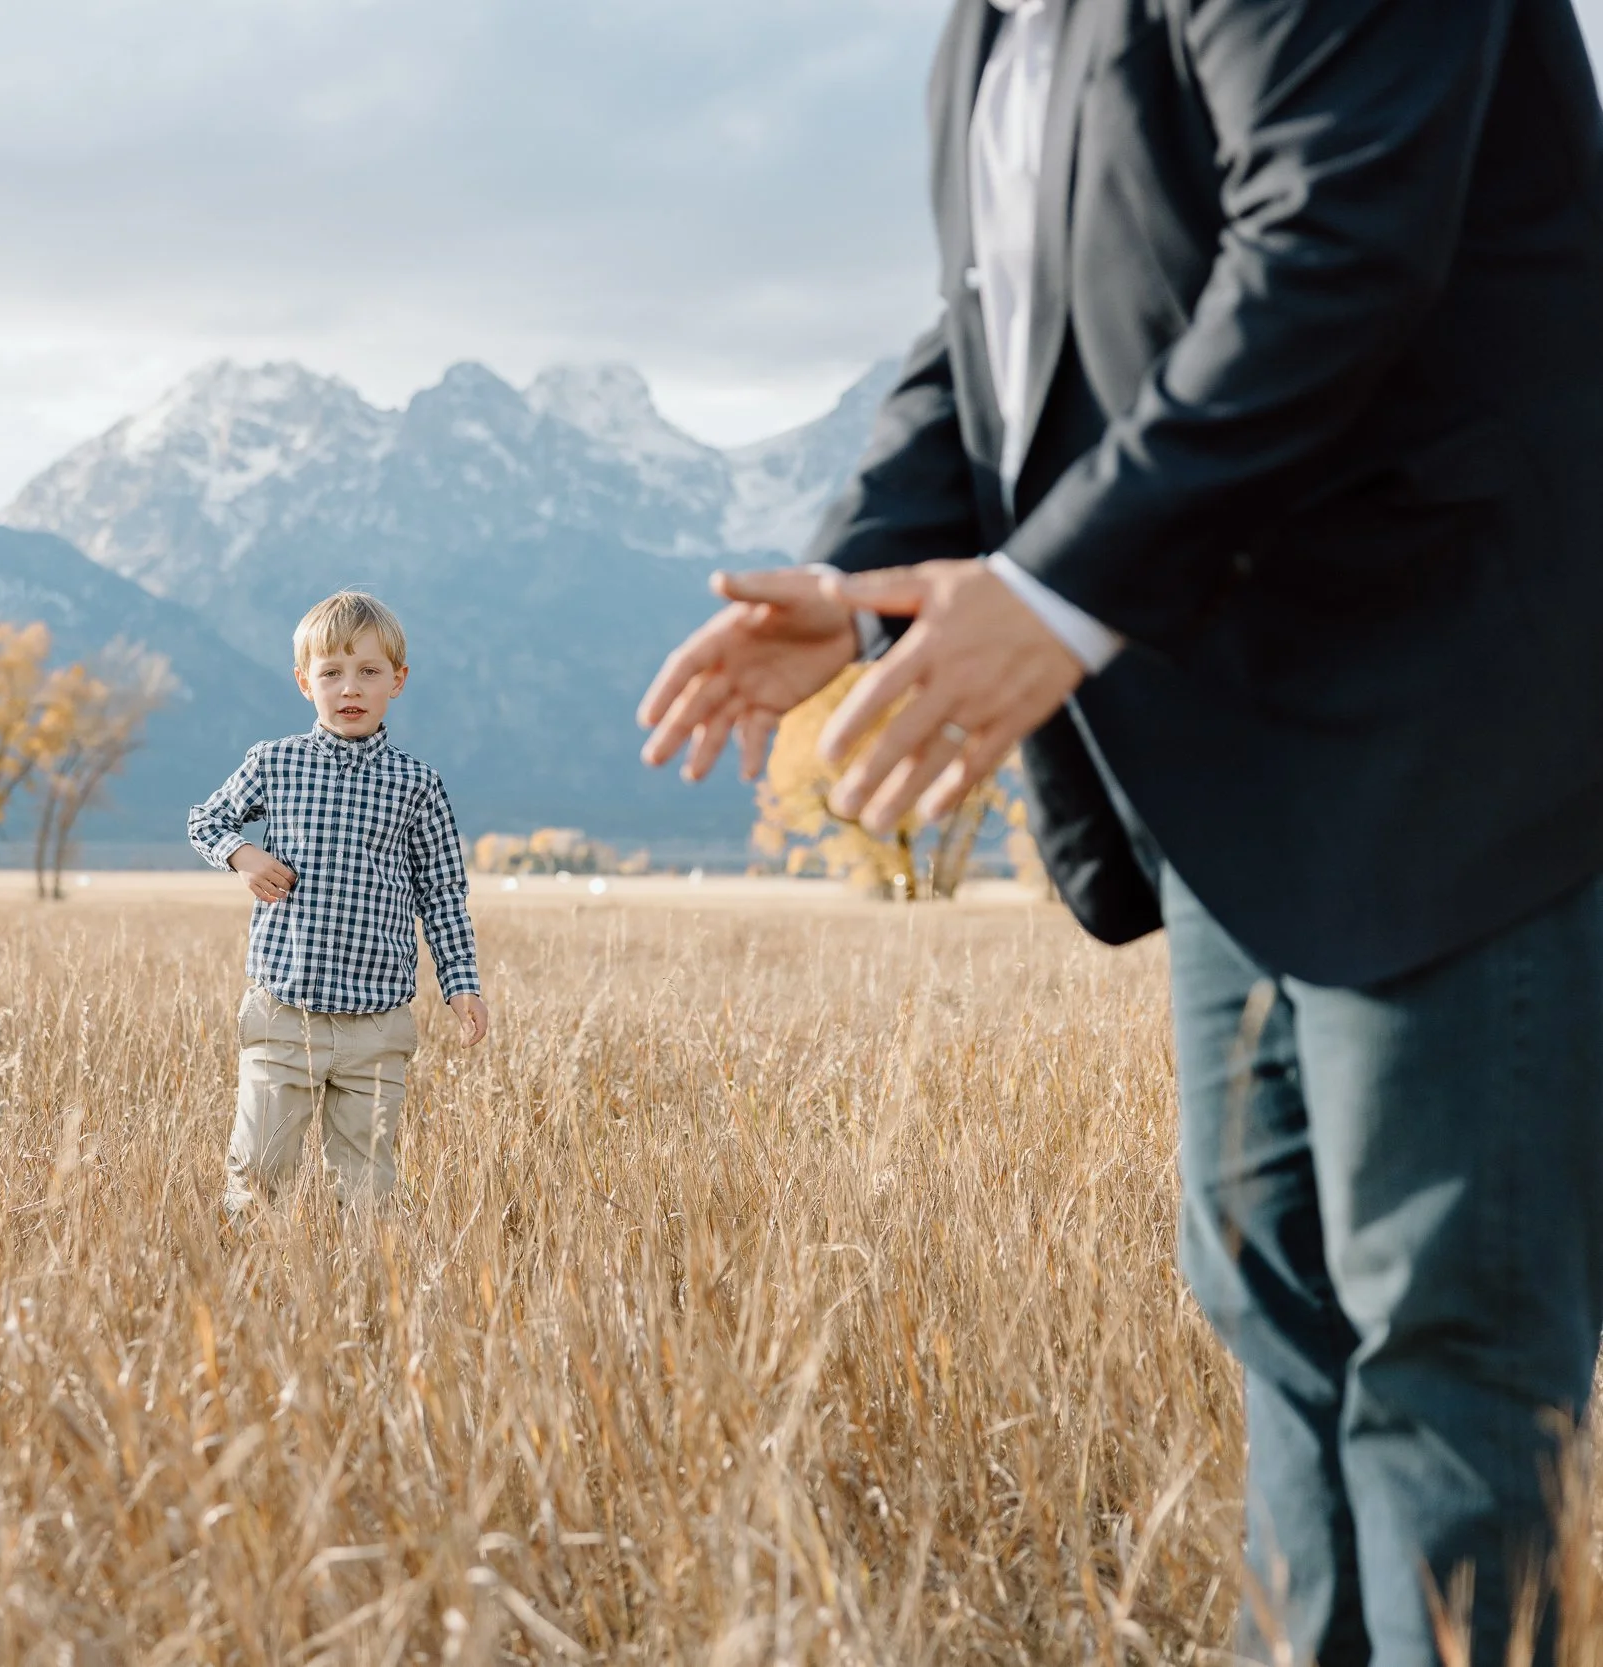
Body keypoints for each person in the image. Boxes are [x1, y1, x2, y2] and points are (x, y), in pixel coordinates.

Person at [637, 1, 1603, 1661]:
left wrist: (1055, 590)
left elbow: (1337, 241)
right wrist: (870, 588)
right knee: (1273, 1308)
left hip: (1454, 729)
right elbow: (1002, 329)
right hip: (1235, 755)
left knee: (1448, 1340)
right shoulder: (1004, 25)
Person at [187, 590, 491, 1214]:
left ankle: (364, 1297)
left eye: (368, 672)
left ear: (397, 681)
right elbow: (206, 821)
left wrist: (461, 985)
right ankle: (251, 1282)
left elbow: (442, 893)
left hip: (377, 1023)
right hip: (283, 1009)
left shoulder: (417, 785)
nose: (349, 688)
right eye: (331, 673)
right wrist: (243, 856)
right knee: (260, 1167)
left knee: (368, 1185)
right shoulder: (275, 763)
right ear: (305, 683)